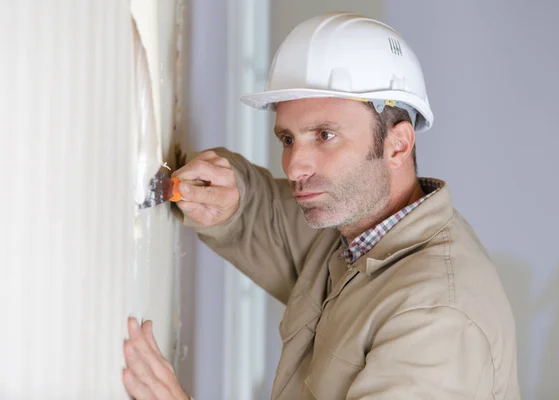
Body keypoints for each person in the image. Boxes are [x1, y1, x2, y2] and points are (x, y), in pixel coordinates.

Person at [122, 12, 521, 399]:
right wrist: (227, 193)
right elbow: (264, 215)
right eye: (288, 139)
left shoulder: (436, 319)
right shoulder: (355, 233)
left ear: (397, 144)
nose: (295, 166)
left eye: (325, 135)